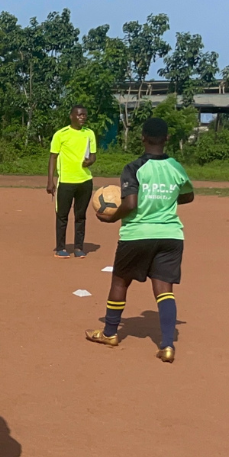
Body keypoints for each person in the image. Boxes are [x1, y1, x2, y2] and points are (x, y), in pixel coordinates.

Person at [85, 118, 193, 362]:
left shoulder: (133, 168)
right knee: (164, 289)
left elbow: (131, 203)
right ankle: (167, 345)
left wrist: (112, 219)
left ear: (142, 137)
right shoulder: (176, 167)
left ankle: (110, 333)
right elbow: (188, 196)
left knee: (120, 282)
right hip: (171, 235)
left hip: (137, 234)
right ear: (167, 139)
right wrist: (165, 202)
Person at [47, 105, 99, 258]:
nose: (83, 117)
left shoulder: (89, 134)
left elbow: (94, 155)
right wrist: (50, 180)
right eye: (80, 114)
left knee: (80, 215)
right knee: (62, 216)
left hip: (85, 181)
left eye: (84, 115)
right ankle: (61, 247)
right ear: (71, 116)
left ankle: (78, 247)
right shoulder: (61, 134)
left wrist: (90, 161)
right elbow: (53, 157)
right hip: (66, 181)